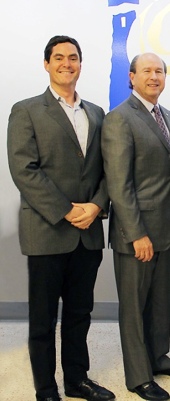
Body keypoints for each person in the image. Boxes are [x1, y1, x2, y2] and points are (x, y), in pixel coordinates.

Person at [7, 35, 115, 401]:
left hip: (88, 232)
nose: (66, 63)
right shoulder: (26, 110)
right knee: (42, 319)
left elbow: (106, 171)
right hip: (47, 229)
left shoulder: (97, 113)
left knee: (79, 313)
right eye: (58, 58)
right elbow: (25, 170)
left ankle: (77, 381)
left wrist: (97, 206)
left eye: (73, 57)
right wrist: (67, 210)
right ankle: (45, 388)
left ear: (81, 64)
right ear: (46, 64)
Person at [101, 53, 170, 401]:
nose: (154, 76)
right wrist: (136, 232)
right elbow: (118, 184)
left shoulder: (166, 116)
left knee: (158, 301)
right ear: (132, 77)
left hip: (165, 227)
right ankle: (138, 376)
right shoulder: (120, 119)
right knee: (135, 306)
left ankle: (158, 357)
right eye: (147, 71)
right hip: (136, 233)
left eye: (159, 71)